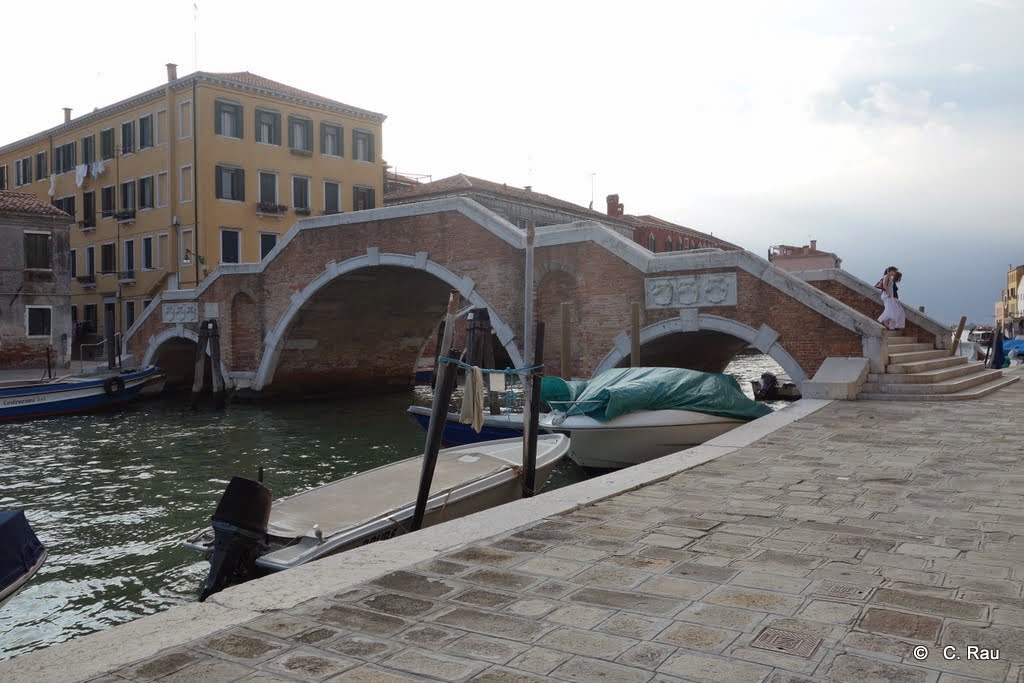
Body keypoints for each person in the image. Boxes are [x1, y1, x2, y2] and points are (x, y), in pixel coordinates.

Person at [877, 266, 905, 331]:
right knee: (890, 310)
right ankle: (885, 322)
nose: (895, 272)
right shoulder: (886, 276)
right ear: (891, 271)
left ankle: (889, 325)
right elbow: (884, 285)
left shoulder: (889, 277)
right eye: (894, 271)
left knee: (892, 311)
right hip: (887, 296)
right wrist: (889, 293)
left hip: (890, 296)